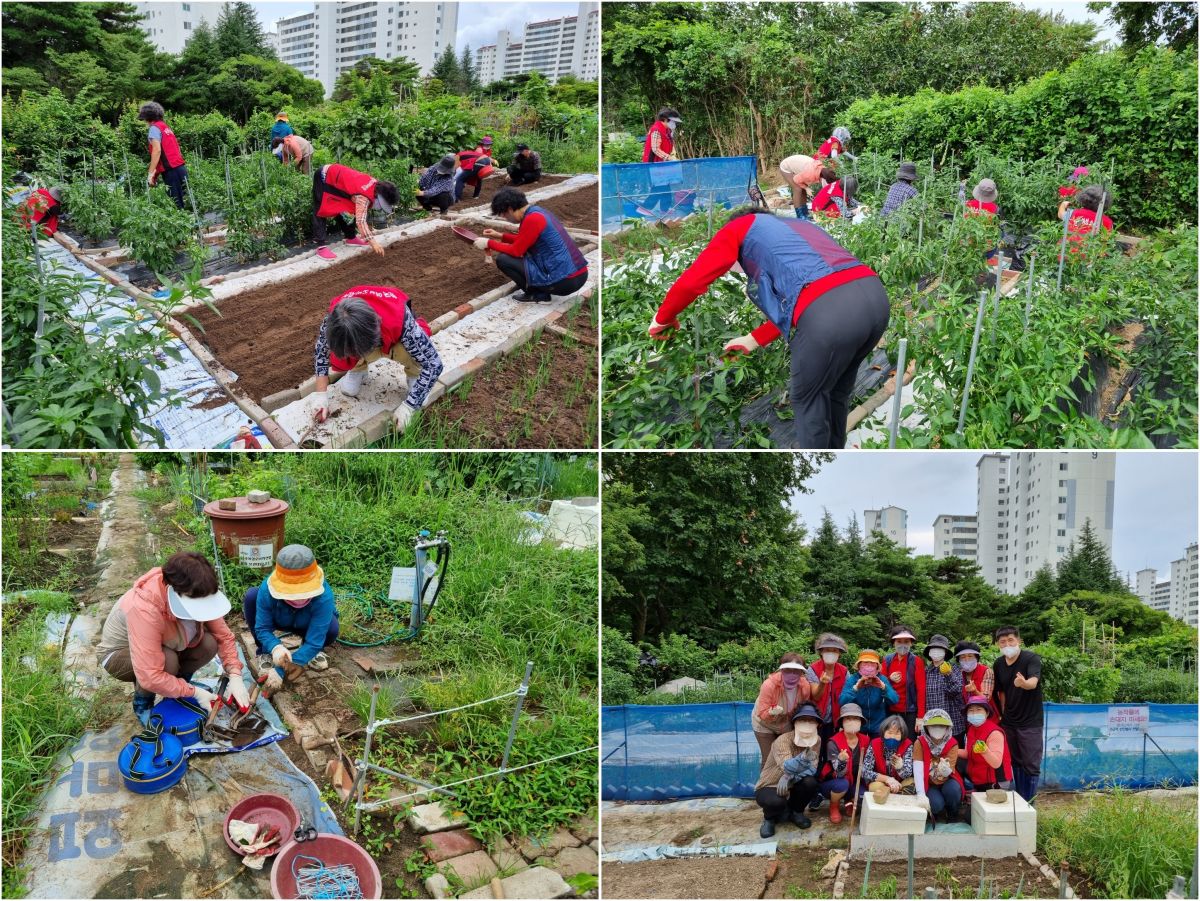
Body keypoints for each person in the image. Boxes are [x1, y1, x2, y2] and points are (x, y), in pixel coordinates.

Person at [648, 209, 889, 448]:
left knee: (807, 399)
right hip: (875, 299)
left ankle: (821, 463)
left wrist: (663, 318)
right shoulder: (799, 226)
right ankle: (835, 456)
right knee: (836, 392)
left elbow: (694, 280)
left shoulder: (739, 226)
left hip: (830, 315)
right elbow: (807, 297)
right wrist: (753, 339)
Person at [96, 552, 250, 723]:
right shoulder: (144, 607)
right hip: (118, 655)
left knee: (208, 644)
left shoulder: (197, 587)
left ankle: (176, 693)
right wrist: (195, 693)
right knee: (166, 661)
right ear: (175, 592)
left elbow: (223, 635)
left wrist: (235, 675)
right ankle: (143, 705)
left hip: (166, 645)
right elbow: (150, 674)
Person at [310, 285, 444, 433]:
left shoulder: (401, 321)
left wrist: (410, 406)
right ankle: (358, 369)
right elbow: (320, 353)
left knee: (410, 351)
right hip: (365, 333)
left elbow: (434, 364)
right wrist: (321, 395)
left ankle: (414, 373)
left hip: (392, 331)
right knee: (348, 379)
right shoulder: (334, 323)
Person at [243, 545, 339, 696]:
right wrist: (276, 648)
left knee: (332, 628)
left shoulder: (324, 596)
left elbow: (315, 640)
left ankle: (310, 652)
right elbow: (262, 628)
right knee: (251, 597)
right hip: (279, 619)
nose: (298, 597)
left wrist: (281, 670)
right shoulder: (266, 590)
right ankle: (265, 652)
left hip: (307, 624)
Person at [472, 188, 590, 303]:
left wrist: (489, 243)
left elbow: (516, 250)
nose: (504, 217)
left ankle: (537, 294)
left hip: (564, 281)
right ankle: (540, 290)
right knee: (525, 253)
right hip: (578, 273)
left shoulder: (532, 219)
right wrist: (500, 236)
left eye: (503, 214)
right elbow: (525, 240)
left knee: (504, 259)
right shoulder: (538, 212)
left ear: (510, 209)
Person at [755, 704, 823, 837]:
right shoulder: (783, 740)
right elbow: (786, 766)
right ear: (795, 722)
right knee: (775, 802)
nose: (807, 724)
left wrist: (789, 777)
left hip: (792, 782)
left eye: (811, 720)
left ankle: (796, 812)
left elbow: (813, 767)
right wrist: (803, 758)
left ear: (817, 724)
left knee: (811, 783)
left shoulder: (817, 740)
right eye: (803, 720)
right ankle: (769, 818)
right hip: (771, 783)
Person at [992, 626, 1043, 801]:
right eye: (1003, 642)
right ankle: (1021, 801)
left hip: (1030, 721)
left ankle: (1030, 803)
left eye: (1011, 640)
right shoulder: (998, 664)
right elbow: (1002, 692)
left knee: (1030, 763)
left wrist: (1024, 683)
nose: (1007, 644)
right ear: (998, 644)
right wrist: (1003, 714)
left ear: (1018, 641)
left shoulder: (1031, 658)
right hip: (1009, 721)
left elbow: (1033, 682)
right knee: (1016, 762)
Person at [310, 162, 399, 261]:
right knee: (322, 208)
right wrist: (373, 242)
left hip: (338, 180)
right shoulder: (364, 197)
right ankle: (321, 246)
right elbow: (361, 221)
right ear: (379, 196)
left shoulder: (375, 186)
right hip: (324, 177)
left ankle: (351, 237)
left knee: (346, 209)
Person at [752, 654, 813, 764]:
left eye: (796, 671)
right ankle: (766, 781)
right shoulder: (769, 685)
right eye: (788, 670)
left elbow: (803, 708)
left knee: (788, 755)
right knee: (769, 759)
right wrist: (771, 712)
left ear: (801, 672)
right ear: (782, 670)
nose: (792, 674)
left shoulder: (805, 686)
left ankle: (786, 781)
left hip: (785, 723)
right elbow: (762, 713)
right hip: (763, 724)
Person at [912, 708, 964, 822]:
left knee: (953, 790)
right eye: (933, 726)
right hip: (929, 782)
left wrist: (946, 770)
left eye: (941, 726)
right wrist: (921, 794)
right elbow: (918, 769)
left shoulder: (952, 743)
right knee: (935, 804)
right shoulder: (920, 743)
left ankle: (952, 812)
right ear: (926, 727)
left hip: (947, 780)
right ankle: (934, 813)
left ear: (947, 728)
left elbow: (950, 768)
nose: (937, 729)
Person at [818, 702, 867, 824]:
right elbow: (839, 773)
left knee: (863, 795)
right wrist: (841, 761)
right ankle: (834, 806)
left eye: (856, 718)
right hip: (835, 781)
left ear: (861, 721)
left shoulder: (865, 740)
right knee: (842, 784)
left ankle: (848, 801)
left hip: (854, 780)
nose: (852, 721)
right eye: (848, 718)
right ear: (842, 722)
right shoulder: (833, 742)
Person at [138, 101, 188, 209]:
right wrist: (155, 176)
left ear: (148, 117)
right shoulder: (166, 127)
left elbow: (157, 151)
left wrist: (150, 174)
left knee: (176, 204)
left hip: (171, 171)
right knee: (185, 200)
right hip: (180, 168)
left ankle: (183, 225)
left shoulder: (154, 129)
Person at [839, 650, 899, 737]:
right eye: (865, 663)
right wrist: (856, 688)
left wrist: (883, 687)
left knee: (876, 748)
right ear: (859, 665)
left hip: (878, 726)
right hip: (858, 725)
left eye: (872, 663)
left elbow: (894, 700)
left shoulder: (882, 679)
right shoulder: (853, 679)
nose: (869, 666)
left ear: (877, 666)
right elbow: (842, 701)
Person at [962, 694, 1014, 793]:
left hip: (997, 783)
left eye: (978, 710)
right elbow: (968, 752)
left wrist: (984, 750)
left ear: (987, 713)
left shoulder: (994, 732)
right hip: (980, 780)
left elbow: (996, 763)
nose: (974, 713)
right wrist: (950, 749)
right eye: (971, 710)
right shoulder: (972, 729)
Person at [882, 626, 925, 739]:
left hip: (909, 711)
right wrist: (889, 678)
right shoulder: (887, 660)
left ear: (911, 643)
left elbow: (921, 690)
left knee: (909, 741)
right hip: (890, 709)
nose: (903, 644)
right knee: (891, 739)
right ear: (893, 643)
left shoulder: (916, 661)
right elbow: (880, 683)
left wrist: (920, 717)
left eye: (906, 641)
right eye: (899, 641)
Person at [923, 634, 965, 745]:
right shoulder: (925, 671)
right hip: (931, 721)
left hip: (953, 721)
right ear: (929, 652)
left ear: (945, 652)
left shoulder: (954, 668)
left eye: (940, 649)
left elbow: (957, 691)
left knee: (955, 755)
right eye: (933, 649)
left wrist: (949, 674)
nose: (936, 652)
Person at [862, 715, 914, 795]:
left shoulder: (908, 745)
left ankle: (895, 793)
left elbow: (907, 774)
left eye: (897, 733)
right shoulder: (875, 744)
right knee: (875, 787)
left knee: (912, 782)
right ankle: (892, 793)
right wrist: (887, 779)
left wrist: (900, 767)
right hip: (880, 782)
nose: (892, 737)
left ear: (902, 735)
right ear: (883, 732)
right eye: (889, 732)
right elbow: (865, 771)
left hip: (900, 783)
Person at [1058, 184, 1114, 257]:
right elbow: (1108, 242)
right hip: (1090, 259)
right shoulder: (1108, 222)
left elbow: (1060, 214)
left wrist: (1063, 204)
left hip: (1066, 254)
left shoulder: (1074, 213)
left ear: (1083, 198)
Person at [954, 640, 994, 729]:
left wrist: (975, 691)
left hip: (986, 717)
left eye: (970, 656)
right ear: (959, 660)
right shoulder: (959, 674)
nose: (967, 659)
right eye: (963, 657)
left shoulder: (986, 671)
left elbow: (986, 698)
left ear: (976, 657)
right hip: (968, 719)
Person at [778, 153, 825, 220]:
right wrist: (807, 188)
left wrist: (805, 188)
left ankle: (805, 213)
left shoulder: (821, 170)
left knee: (803, 189)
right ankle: (800, 215)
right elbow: (796, 180)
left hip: (799, 166)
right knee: (797, 189)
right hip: (786, 167)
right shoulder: (810, 173)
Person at [455, 137, 496, 202]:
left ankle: (457, 198)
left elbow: (456, 169)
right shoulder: (471, 151)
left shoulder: (456, 156)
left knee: (460, 179)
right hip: (486, 160)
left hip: (479, 162)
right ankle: (476, 195)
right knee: (478, 177)